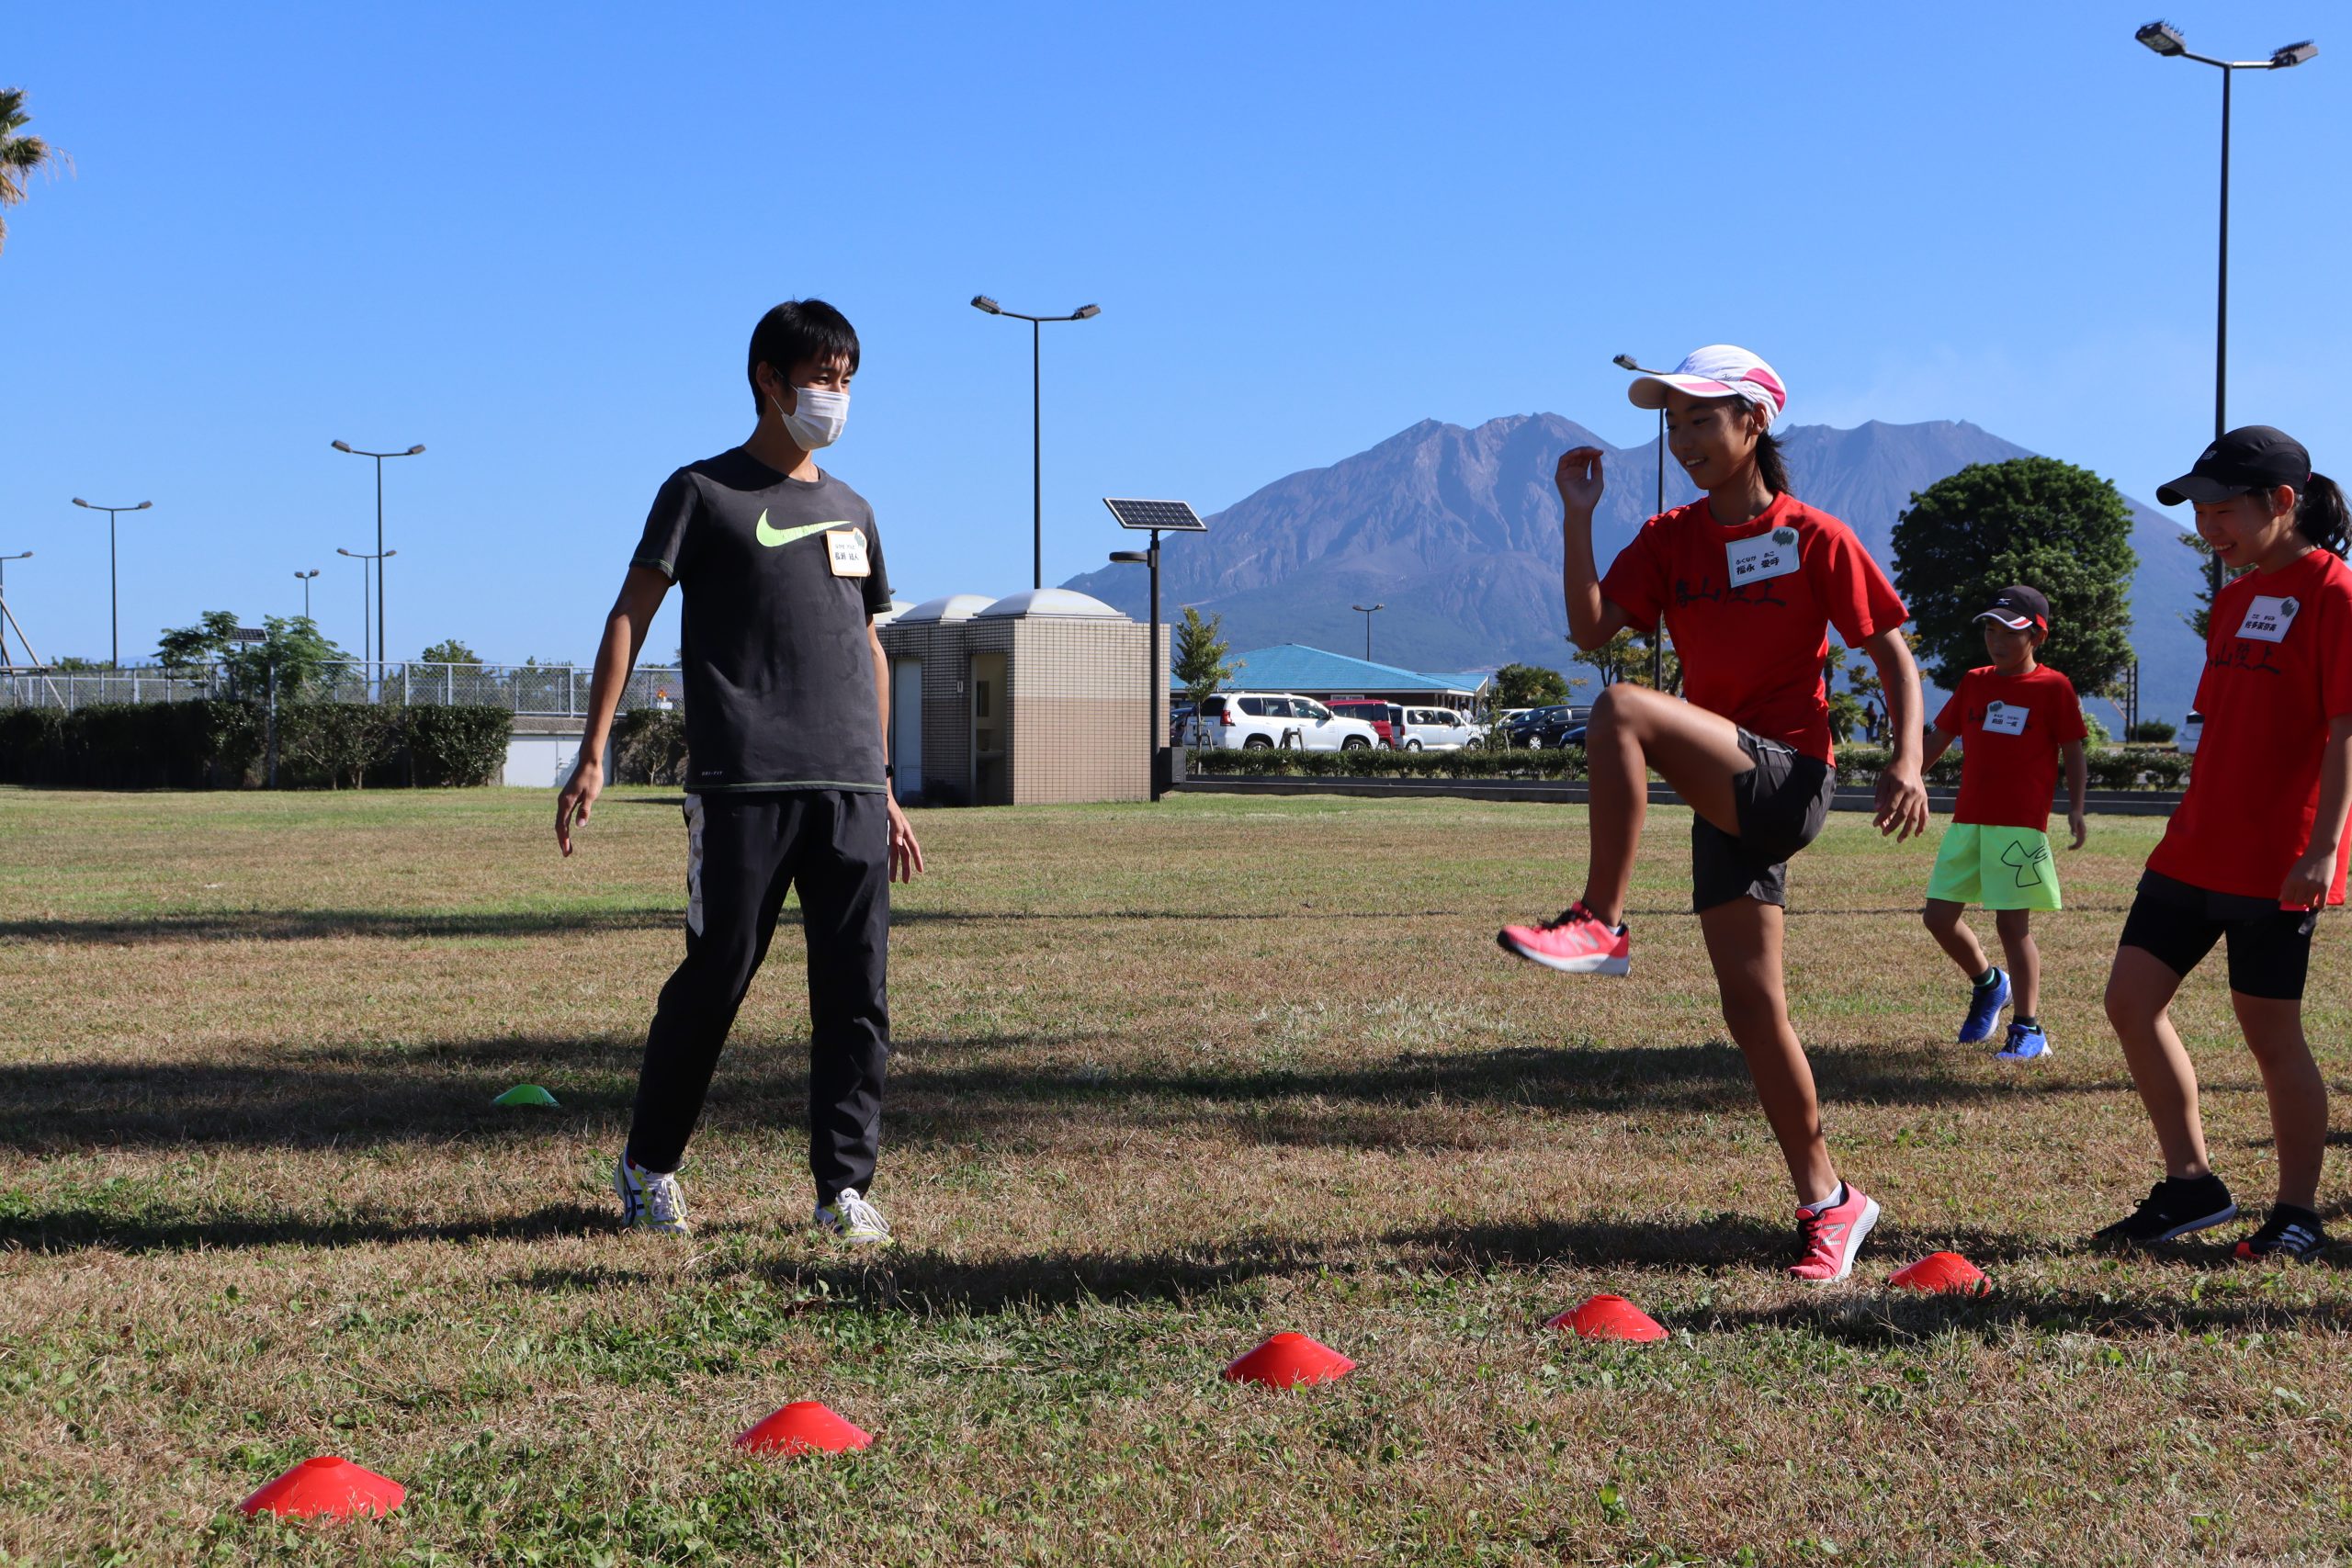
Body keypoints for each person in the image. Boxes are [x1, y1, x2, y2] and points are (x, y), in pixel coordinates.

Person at [1497, 344, 1929, 1282]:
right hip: (1724, 789)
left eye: (1702, 417)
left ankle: (1600, 923)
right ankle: (1831, 1202)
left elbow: (1893, 654)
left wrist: (1904, 761)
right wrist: (1578, 519)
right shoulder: (1669, 537)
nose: (1683, 436)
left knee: (1620, 707)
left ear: (1754, 422)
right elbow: (1589, 629)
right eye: (1674, 421)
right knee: (1751, 1009)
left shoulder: (1815, 534)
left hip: (1789, 778)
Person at [554, 299, 924, 1244]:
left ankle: (843, 1187)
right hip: (742, 785)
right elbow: (629, 614)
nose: (835, 397)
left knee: (857, 994)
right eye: (822, 379)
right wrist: (592, 749)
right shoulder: (702, 492)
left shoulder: (854, 510)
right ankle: (648, 1165)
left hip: (847, 786)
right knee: (717, 975)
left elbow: (868, 644)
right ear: (770, 380)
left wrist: (882, 782)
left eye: (846, 381)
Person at [2097, 425, 2351, 1260]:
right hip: (2193, 844)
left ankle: (2298, 1212)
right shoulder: (2236, 597)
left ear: (2284, 501)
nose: (2209, 527)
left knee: (2270, 1034)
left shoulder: (2336, 594)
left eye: (2223, 509)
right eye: (2200, 510)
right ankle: (2192, 1184)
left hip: (2278, 854)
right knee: (2130, 1001)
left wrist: (2322, 850)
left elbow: (2345, 729)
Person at [1917, 585, 2089, 1060]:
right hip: (1968, 822)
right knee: (1938, 918)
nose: (1996, 639)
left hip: (2019, 828)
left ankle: (2029, 1030)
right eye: (1991, 629)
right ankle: (1991, 984)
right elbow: (1941, 736)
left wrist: (2075, 807)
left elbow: (2073, 749)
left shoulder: (2054, 687)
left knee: (2013, 928)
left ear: (2037, 635)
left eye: (2009, 631)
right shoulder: (1974, 681)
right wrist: (1908, 778)